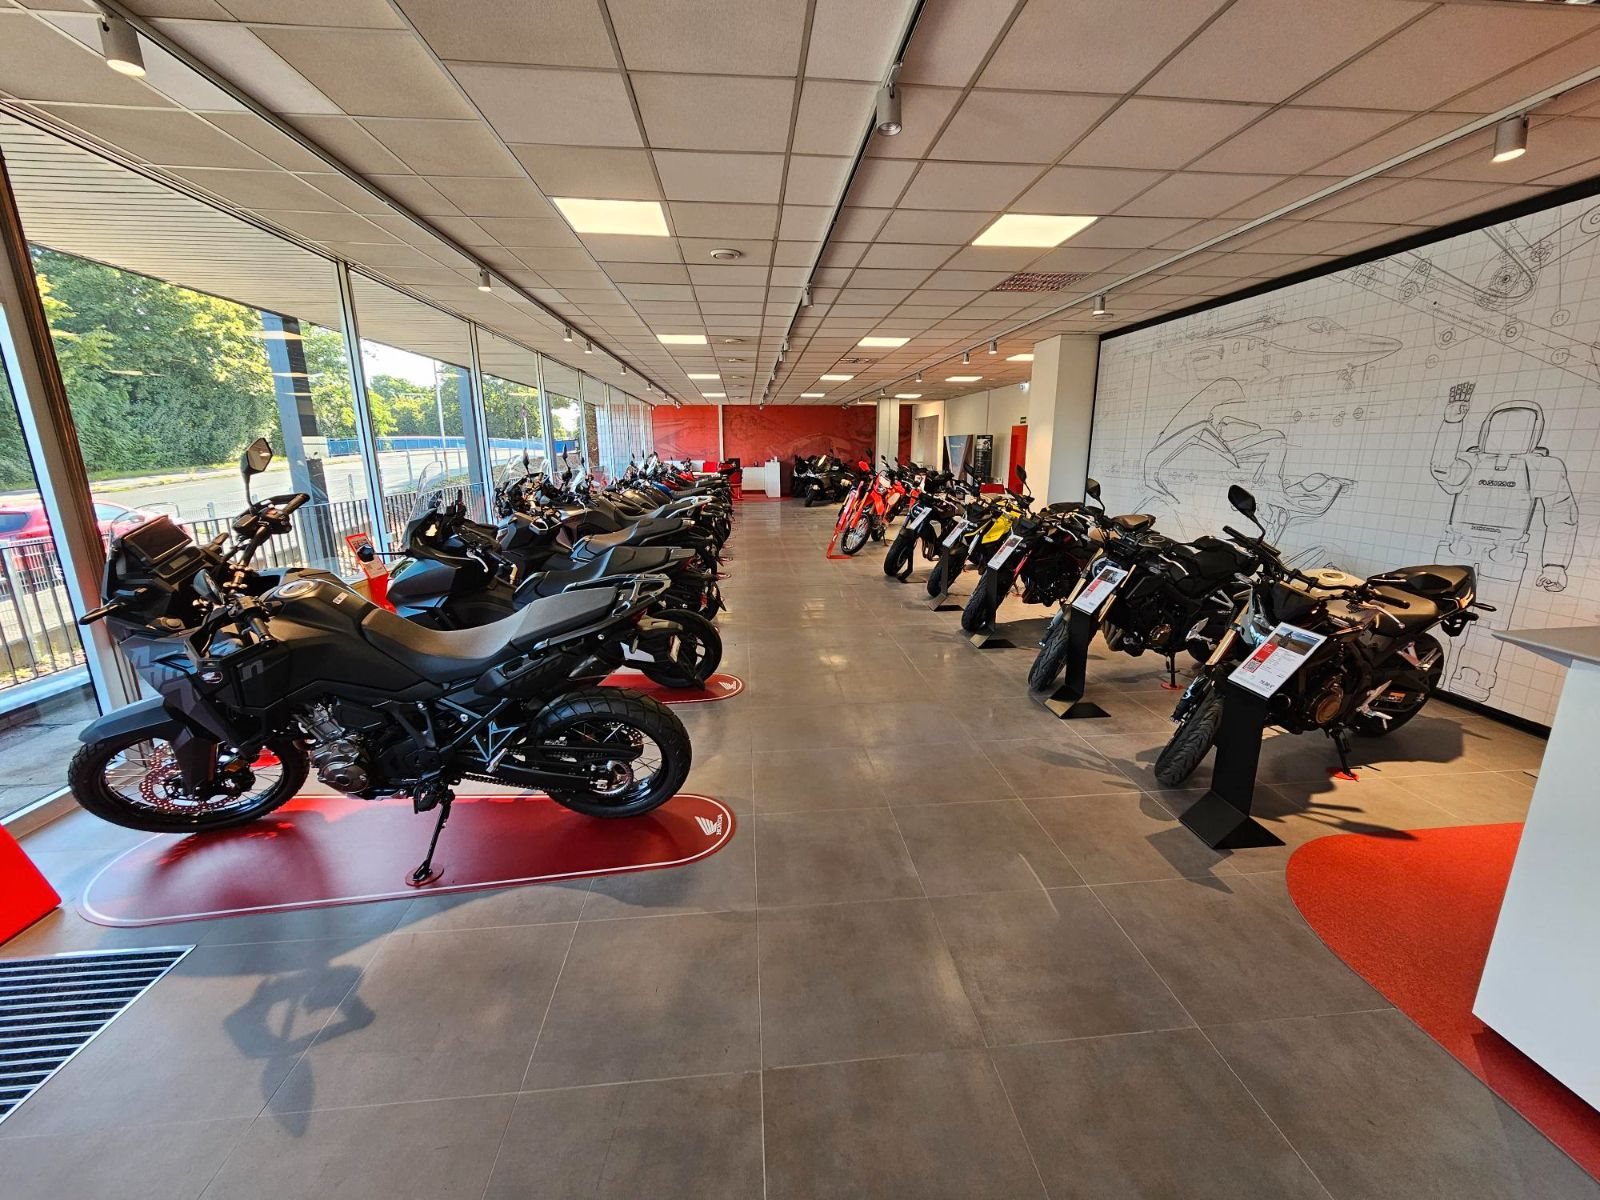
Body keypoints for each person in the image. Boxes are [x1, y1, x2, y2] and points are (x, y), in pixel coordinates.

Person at [1430, 380, 1576, 700]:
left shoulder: (1541, 466)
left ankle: (1474, 677)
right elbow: (1443, 470)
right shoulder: (1472, 461)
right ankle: (1430, 669)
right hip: (1460, 545)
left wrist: (1555, 563)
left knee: (1489, 619)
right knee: (1437, 614)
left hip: (1504, 551)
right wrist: (1453, 423)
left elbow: (1561, 514)